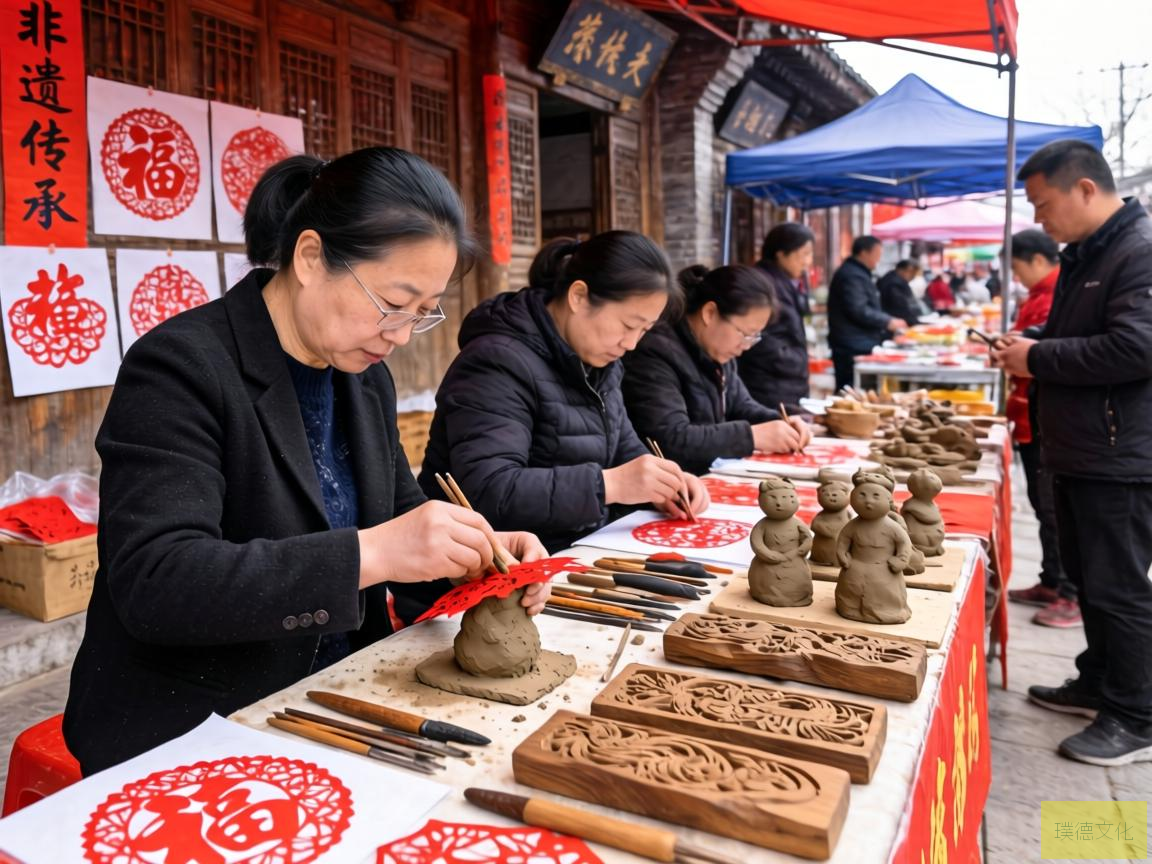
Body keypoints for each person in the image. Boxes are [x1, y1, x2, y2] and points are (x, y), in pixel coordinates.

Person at [62, 148, 550, 775]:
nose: (401, 334)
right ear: (312, 257)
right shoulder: (182, 366)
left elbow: (397, 518)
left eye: (422, 312)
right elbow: (157, 580)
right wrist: (372, 553)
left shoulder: (360, 375)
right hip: (201, 720)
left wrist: (475, 553)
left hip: (347, 692)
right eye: (392, 303)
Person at [992, 139, 1152, 766]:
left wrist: (1037, 357)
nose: (1039, 219)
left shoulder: (1137, 252)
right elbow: (1078, 337)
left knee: (1118, 585)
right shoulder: (1089, 252)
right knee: (1088, 579)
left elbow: (1136, 349)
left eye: (1044, 204)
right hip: (1083, 445)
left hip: (1120, 453)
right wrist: (1032, 339)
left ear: (1086, 189)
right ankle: (1099, 681)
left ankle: (1136, 714)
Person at [418, 232, 709, 552]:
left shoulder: (600, 362)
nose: (631, 344)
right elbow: (489, 490)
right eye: (628, 325)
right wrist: (610, 485)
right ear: (579, 296)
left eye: (644, 331)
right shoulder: (496, 362)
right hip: (491, 570)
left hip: (574, 549)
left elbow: (623, 448)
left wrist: (664, 482)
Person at [622, 264, 813, 475]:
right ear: (710, 313)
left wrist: (778, 422)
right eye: (745, 334)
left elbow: (741, 405)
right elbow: (670, 438)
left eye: (754, 337)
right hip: (670, 485)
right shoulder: (655, 351)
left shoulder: (717, 349)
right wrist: (753, 436)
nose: (746, 346)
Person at [1002, 229, 1079, 628]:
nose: (1016, 277)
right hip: (1030, 415)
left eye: (1016, 268)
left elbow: (1056, 352)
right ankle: (1052, 579)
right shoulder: (1041, 294)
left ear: (1035, 260)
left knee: (1054, 508)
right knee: (1042, 503)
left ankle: (1070, 590)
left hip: (1048, 417)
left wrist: (1027, 353)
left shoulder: (1059, 292)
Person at [738, 223, 814, 410]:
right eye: (803, 253)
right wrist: (795, 360)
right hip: (768, 385)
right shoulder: (764, 285)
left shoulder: (783, 282)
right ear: (781, 253)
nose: (807, 261)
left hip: (783, 383)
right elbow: (759, 338)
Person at [826, 235, 908, 392]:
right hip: (851, 344)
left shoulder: (858, 273)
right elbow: (858, 309)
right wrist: (887, 321)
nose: (878, 260)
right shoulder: (851, 275)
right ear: (864, 252)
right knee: (849, 390)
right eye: (877, 255)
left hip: (858, 341)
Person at [878, 259, 925, 326]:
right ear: (901, 270)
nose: (912, 276)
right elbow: (901, 307)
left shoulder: (893, 281)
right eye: (911, 272)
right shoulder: (894, 284)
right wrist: (914, 322)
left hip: (896, 321)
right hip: (897, 323)